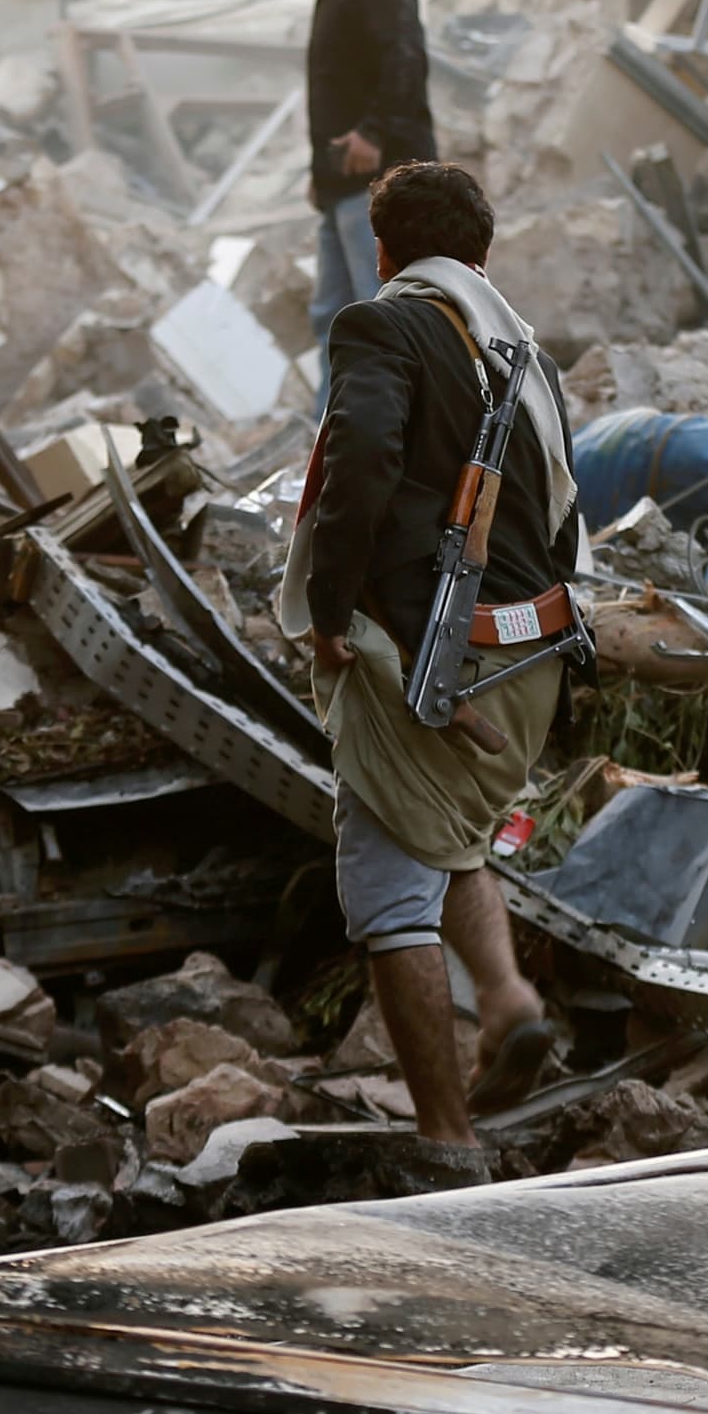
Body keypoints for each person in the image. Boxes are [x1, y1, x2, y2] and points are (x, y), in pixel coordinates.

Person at [278, 159, 579, 1156]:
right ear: (482, 258)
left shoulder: (381, 324)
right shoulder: (526, 359)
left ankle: (447, 1141)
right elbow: (569, 522)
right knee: (449, 835)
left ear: (382, 250)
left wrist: (331, 610)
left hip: (441, 662)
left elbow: (360, 459)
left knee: (383, 886)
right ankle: (504, 997)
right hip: (531, 662)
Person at [279, 0, 435, 394]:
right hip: (341, 186)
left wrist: (373, 132)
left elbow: (404, 60)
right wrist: (320, 176)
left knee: (380, 310)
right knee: (334, 314)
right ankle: (334, 433)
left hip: (378, 185)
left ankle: (394, 425)